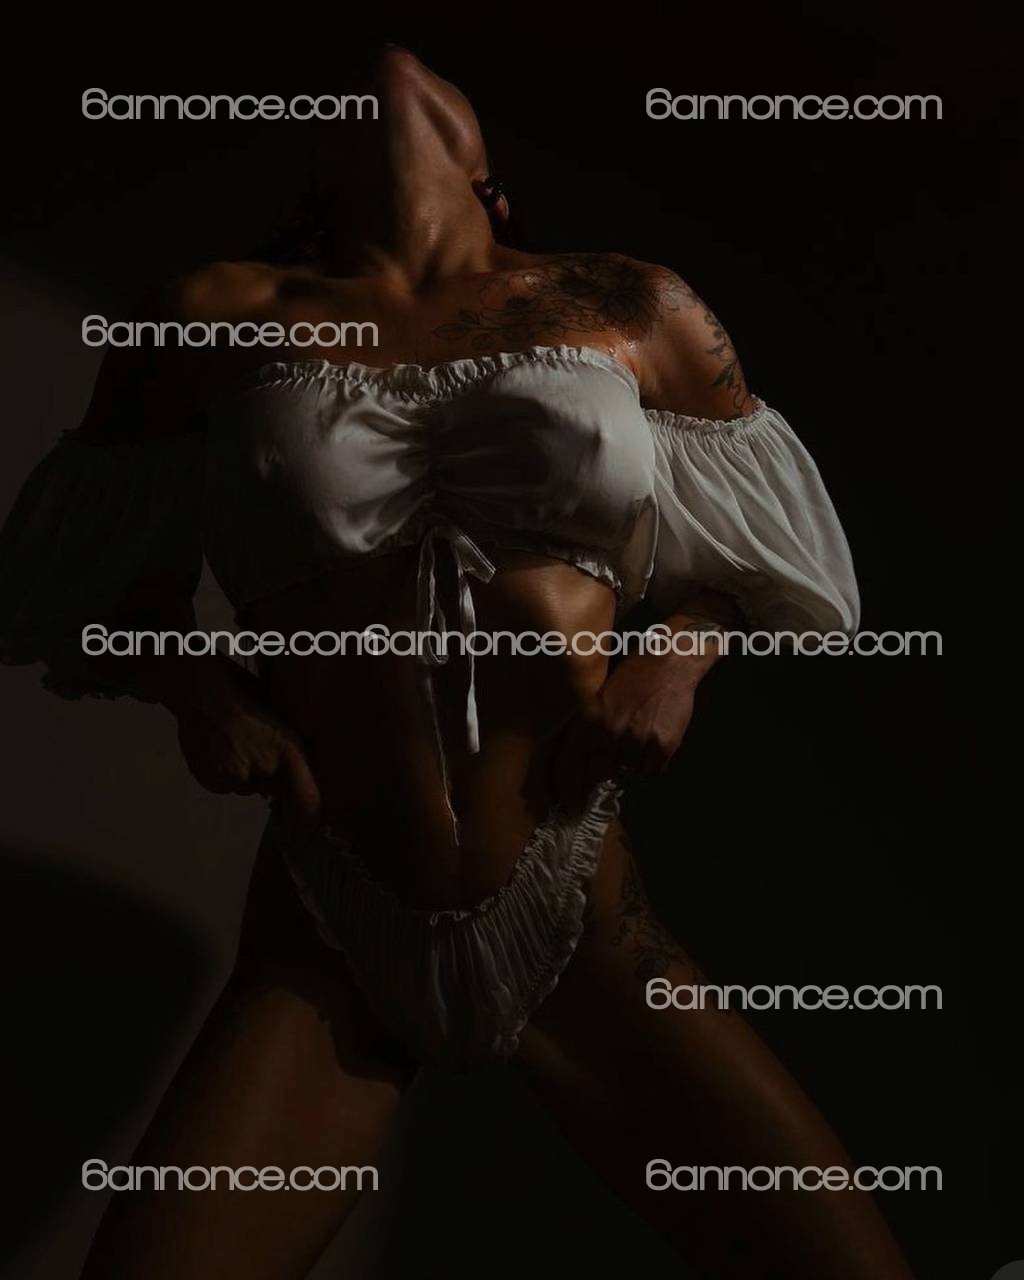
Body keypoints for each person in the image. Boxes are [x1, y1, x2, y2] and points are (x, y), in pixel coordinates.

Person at [0, 44, 914, 1280]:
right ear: (315, 171)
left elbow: (788, 561)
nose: (391, 67)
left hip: (572, 901)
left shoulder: (625, 302)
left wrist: (673, 660)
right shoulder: (216, 313)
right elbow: (71, 580)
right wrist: (195, 688)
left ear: (495, 184)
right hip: (335, 918)